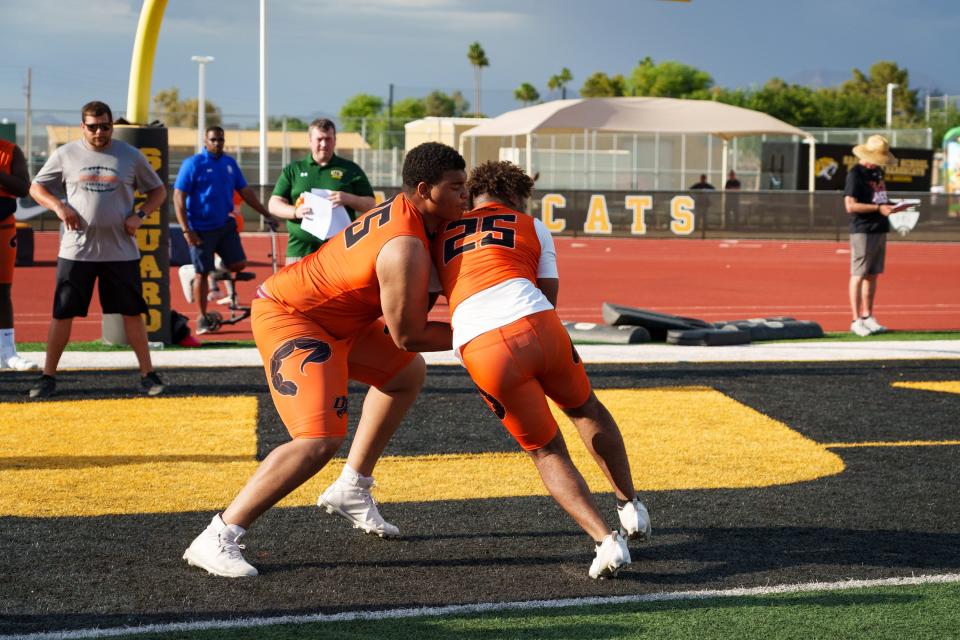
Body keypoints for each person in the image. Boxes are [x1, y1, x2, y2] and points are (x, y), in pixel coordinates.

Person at [183, 142, 467, 578]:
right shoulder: (405, 243)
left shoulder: (414, 215)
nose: (464, 196)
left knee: (405, 375)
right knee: (318, 439)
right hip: (293, 316)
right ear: (426, 191)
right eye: (456, 188)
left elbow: (402, 340)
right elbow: (407, 334)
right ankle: (220, 534)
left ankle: (352, 487)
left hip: (338, 320)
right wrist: (481, 331)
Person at [430, 160, 651, 579]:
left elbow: (425, 296)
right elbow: (547, 294)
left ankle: (606, 541)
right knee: (586, 409)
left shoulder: (439, 230)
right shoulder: (530, 224)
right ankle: (630, 505)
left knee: (546, 450)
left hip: (481, 345)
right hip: (536, 322)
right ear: (516, 196)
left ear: (473, 193)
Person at [27, 101, 167, 398]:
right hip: (77, 251)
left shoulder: (130, 155)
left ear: (111, 126)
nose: (99, 132)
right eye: (93, 127)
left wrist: (139, 216)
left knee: (132, 313)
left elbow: (158, 191)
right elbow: (36, 188)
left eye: (105, 126)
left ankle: (148, 374)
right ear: (82, 127)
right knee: (62, 314)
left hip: (121, 252)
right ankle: (48, 376)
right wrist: (59, 206)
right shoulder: (65, 154)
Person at [173, 126, 275, 334]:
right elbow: (178, 197)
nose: (217, 143)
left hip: (224, 225)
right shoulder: (193, 164)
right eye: (213, 140)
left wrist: (267, 214)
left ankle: (200, 268)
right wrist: (186, 230)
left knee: (238, 264)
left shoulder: (229, 164)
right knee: (203, 274)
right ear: (205, 140)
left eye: (220, 140)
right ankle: (202, 315)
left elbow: (245, 191)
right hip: (200, 228)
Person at [268, 119, 376, 265]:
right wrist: (296, 211)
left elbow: (371, 204)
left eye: (328, 139)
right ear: (310, 141)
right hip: (300, 252)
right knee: (298, 289)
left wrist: (349, 198)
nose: (324, 144)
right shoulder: (294, 169)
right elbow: (274, 204)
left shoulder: (351, 169)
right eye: (319, 139)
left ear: (335, 140)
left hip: (339, 252)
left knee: (339, 289)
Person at [845, 135, 896, 337]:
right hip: (863, 229)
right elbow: (850, 205)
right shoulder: (855, 174)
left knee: (872, 274)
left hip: (879, 227)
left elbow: (880, 198)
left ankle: (868, 316)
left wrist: (893, 205)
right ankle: (855, 319)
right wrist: (878, 208)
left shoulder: (877, 171)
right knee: (858, 274)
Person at [0, 138, 37, 370]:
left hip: (2, 226)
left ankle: (7, 352)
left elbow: (24, 187)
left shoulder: (10, 151)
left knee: (2, 290)